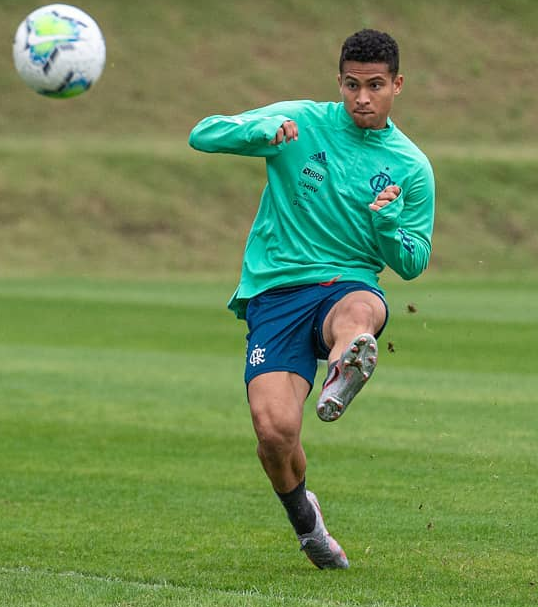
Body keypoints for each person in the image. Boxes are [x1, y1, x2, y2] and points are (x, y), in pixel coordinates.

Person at [188, 28, 436, 569]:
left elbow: (413, 262)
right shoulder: (301, 120)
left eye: (375, 86)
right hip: (275, 293)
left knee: (360, 311)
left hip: (346, 284)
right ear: (339, 83)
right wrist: (258, 132)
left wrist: (390, 224)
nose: (362, 98)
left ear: (398, 85)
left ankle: (348, 362)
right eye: (352, 85)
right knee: (274, 433)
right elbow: (202, 135)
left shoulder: (412, 166)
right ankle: (307, 522)